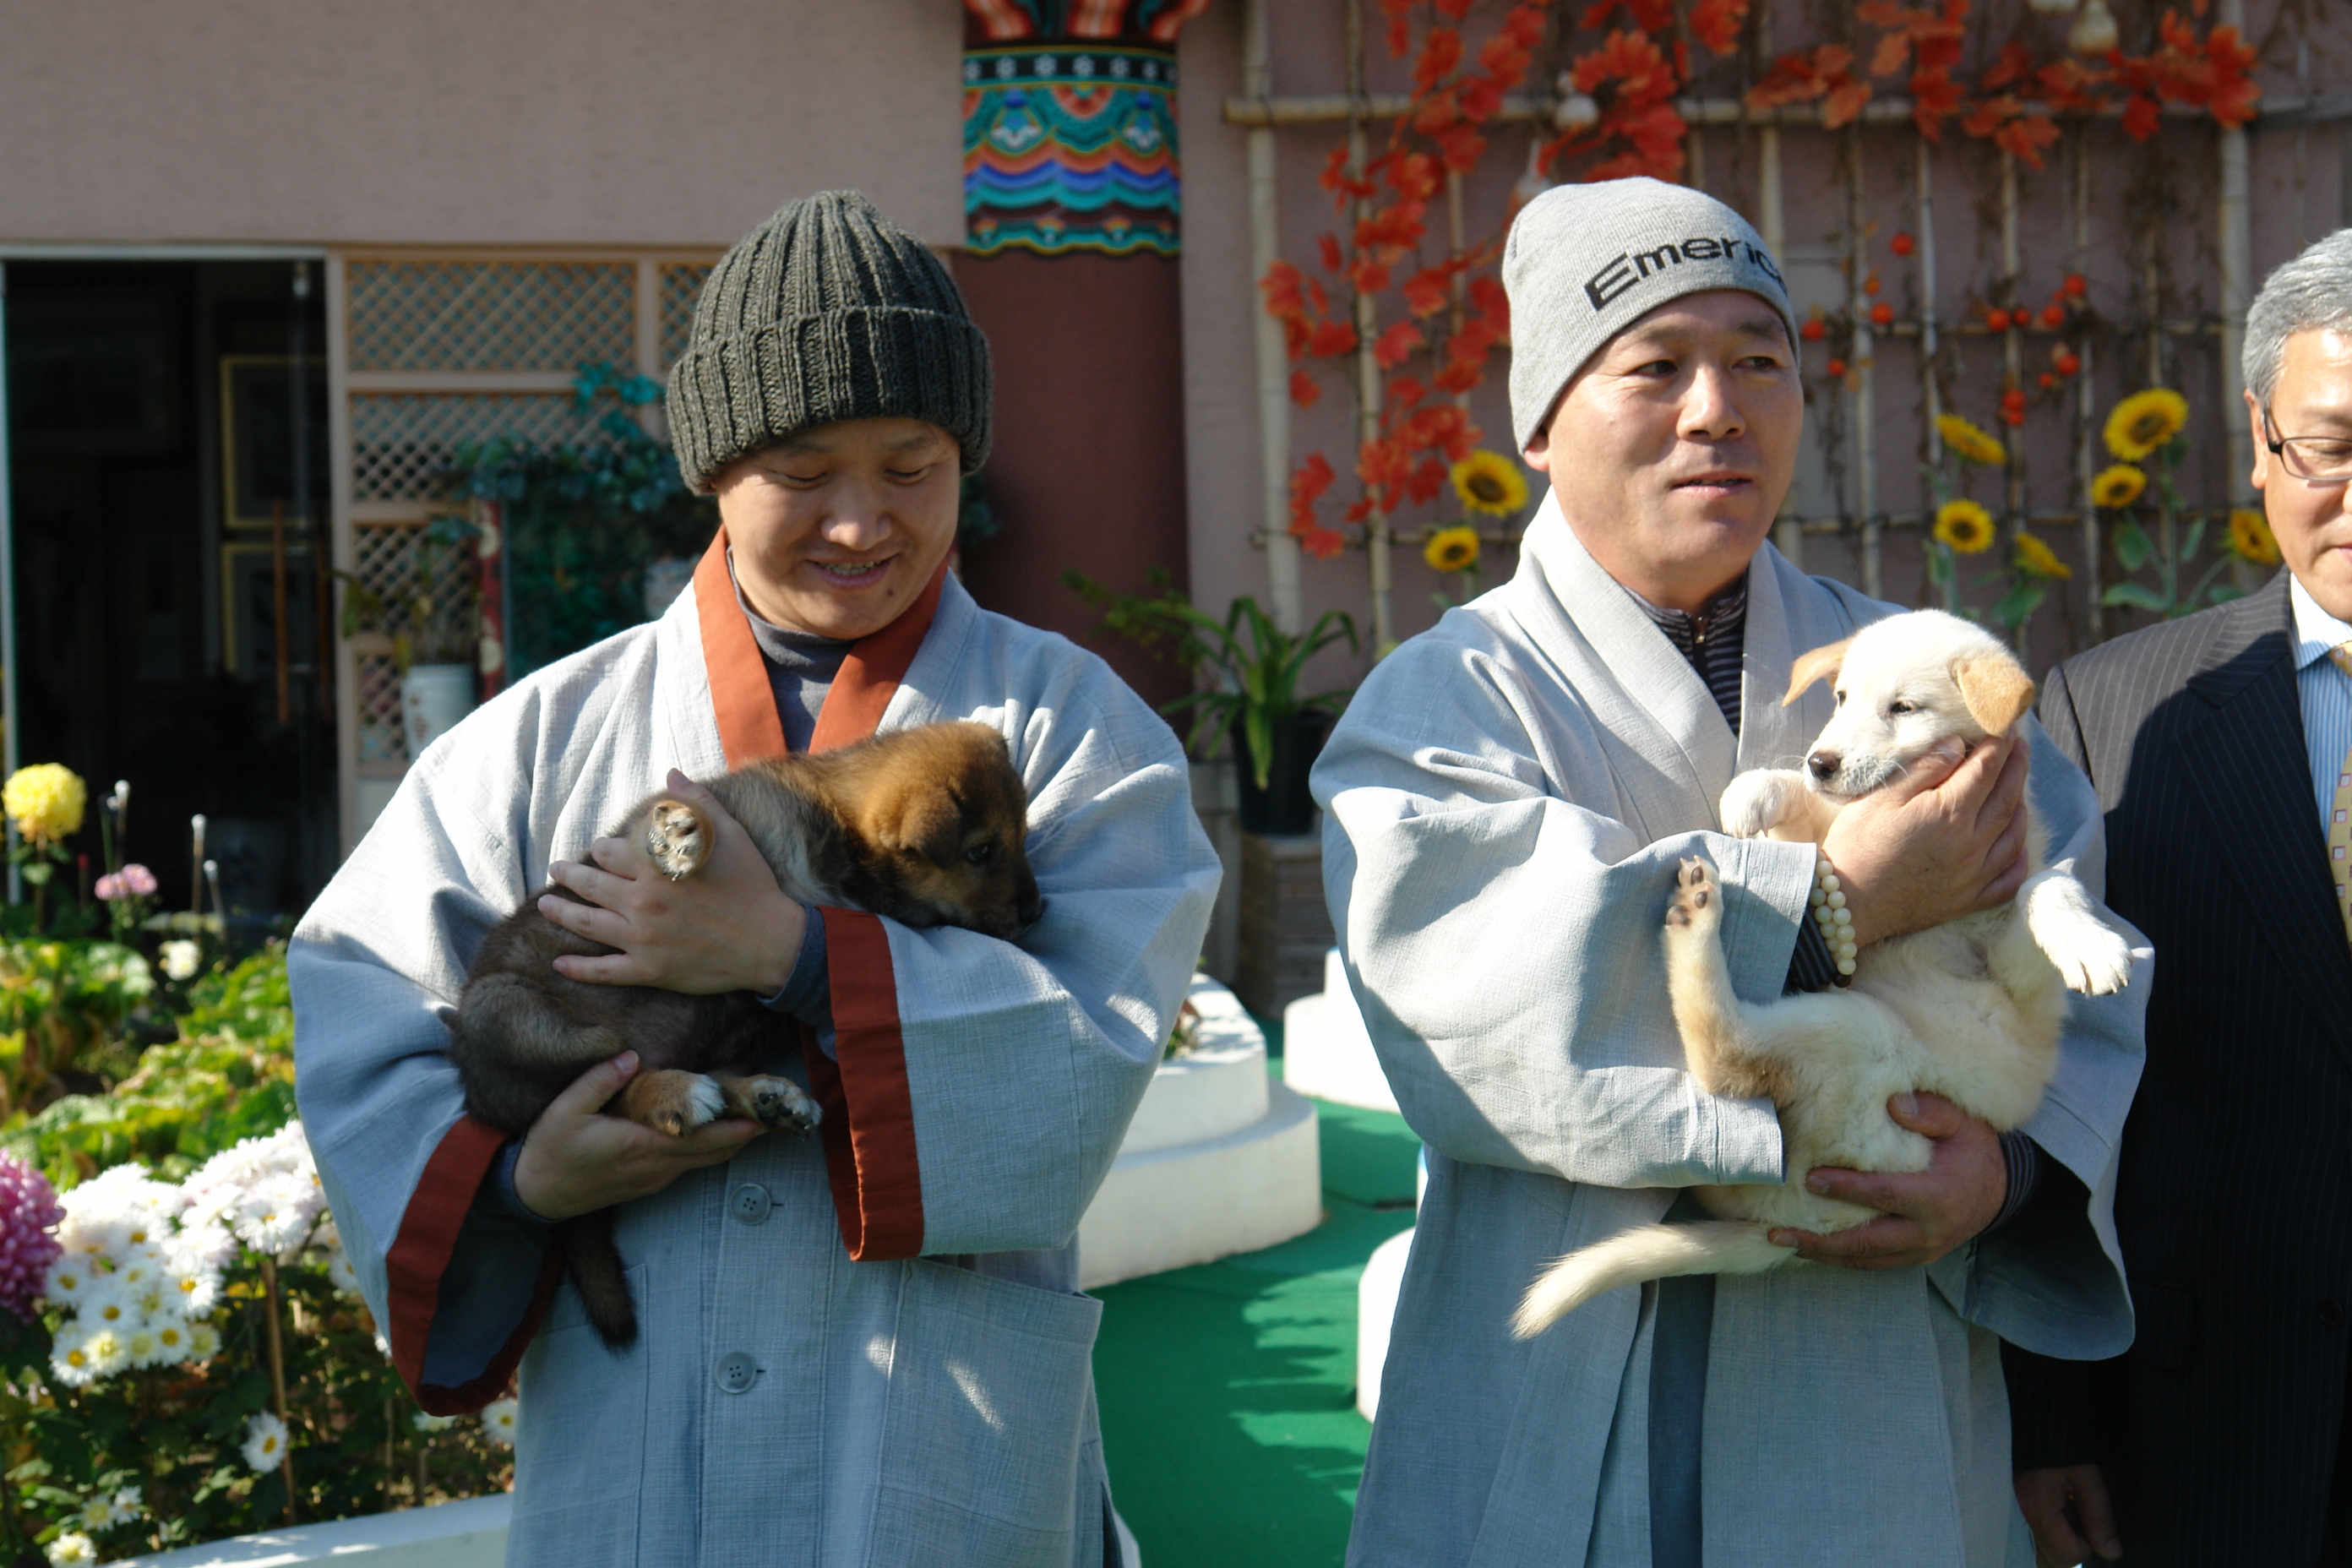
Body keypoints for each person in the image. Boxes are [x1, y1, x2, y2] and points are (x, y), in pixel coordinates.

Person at [291, 190, 1219, 1568]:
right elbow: (362, 1016)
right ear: (714, 469)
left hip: (943, 1428)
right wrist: (520, 1182)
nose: (860, 522)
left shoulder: (1073, 729)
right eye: (801, 470)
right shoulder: (540, 734)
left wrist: (786, 953)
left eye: (911, 465)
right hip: (636, 1431)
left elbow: (1088, 1067)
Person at [1315, 177, 2149, 1566]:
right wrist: (1850, 904)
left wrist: (2001, 1179)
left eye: (1760, 361)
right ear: (1537, 421)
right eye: (1656, 365)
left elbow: (2080, 984)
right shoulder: (1447, 696)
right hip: (1558, 1383)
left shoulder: (1915, 667)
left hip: (1874, 1371)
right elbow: (1480, 1012)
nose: (1719, 407)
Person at [2005, 228, 2352, 1566]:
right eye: (2331, 444)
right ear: (2262, 436)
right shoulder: (2112, 711)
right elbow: (2051, 1081)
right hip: (2204, 1422)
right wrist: (2051, 1416)